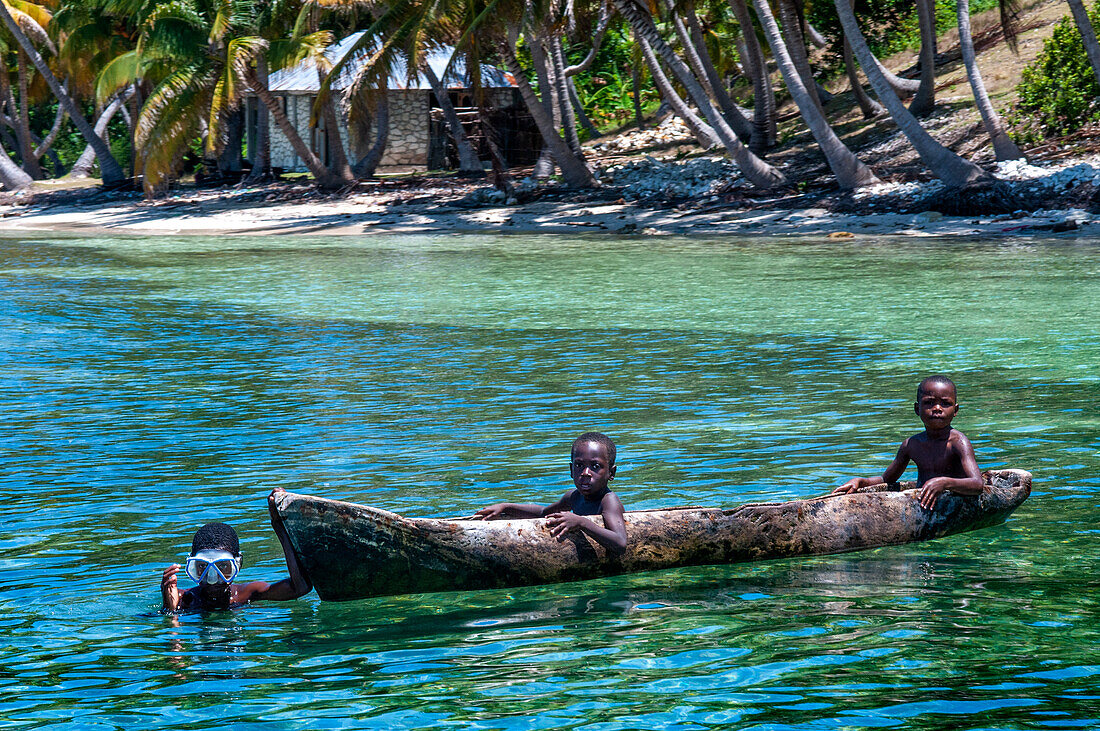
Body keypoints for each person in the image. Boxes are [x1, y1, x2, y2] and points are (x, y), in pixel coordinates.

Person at [833, 375, 984, 509]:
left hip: (956, 503)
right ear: (917, 409)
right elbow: (886, 479)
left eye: (945, 403)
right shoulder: (911, 445)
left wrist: (944, 483)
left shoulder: (958, 442)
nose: (937, 408)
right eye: (929, 403)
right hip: (921, 503)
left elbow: (977, 484)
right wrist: (861, 481)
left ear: (955, 410)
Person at [160, 487, 311, 612]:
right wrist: (170, 610)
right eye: (202, 567)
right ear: (191, 566)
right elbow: (172, 642)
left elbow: (299, 587)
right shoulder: (182, 600)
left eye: (223, 567)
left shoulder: (247, 594)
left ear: (238, 564)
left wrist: (279, 524)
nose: (212, 579)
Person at [475, 432, 628, 553]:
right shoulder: (574, 497)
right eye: (579, 465)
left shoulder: (609, 501)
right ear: (571, 470)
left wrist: (581, 522)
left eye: (595, 466)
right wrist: (505, 507)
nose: (586, 473)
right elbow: (543, 512)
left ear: (611, 473)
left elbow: (620, 543)